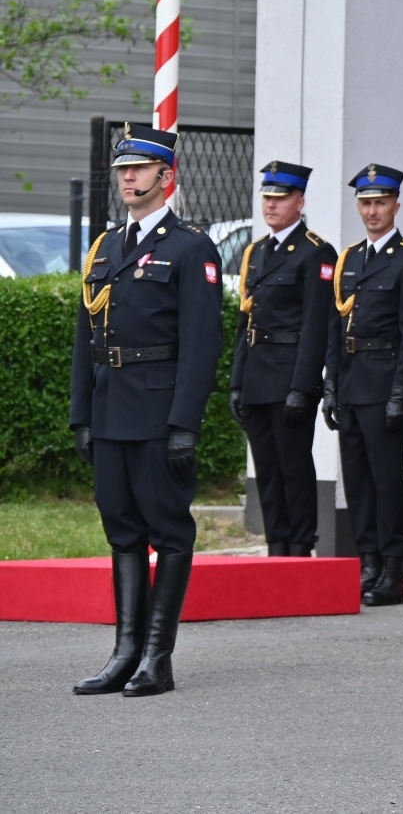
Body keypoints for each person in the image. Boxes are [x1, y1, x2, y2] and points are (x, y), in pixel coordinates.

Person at [69, 124, 224, 697]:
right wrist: (82, 414)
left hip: (158, 413)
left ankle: (158, 656)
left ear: (166, 175)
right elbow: (86, 337)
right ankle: (124, 652)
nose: (128, 178)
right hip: (111, 409)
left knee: (169, 531)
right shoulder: (106, 246)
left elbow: (202, 343)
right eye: (122, 170)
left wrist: (185, 423)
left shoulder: (189, 247)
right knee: (122, 530)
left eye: (138, 169)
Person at [323, 164, 403, 606]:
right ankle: (367, 561)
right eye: (365, 203)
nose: (372, 211)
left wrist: (402, 393)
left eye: (380, 203)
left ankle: (392, 569)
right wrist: (330, 385)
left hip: (384, 385)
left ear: (395, 206)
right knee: (358, 481)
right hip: (351, 383)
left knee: (387, 480)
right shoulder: (349, 259)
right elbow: (336, 326)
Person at [229, 161, 336, 557]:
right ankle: (277, 545)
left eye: (280, 198)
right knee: (267, 469)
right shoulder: (257, 252)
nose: (271, 205)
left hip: (290, 375)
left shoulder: (315, 252)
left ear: (299, 202)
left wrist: (302, 386)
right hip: (258, 375)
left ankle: (300, 545)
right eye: (267, 197)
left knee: (293, 466)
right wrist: (237, 382)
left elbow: (316, 325)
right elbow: (246, 321)